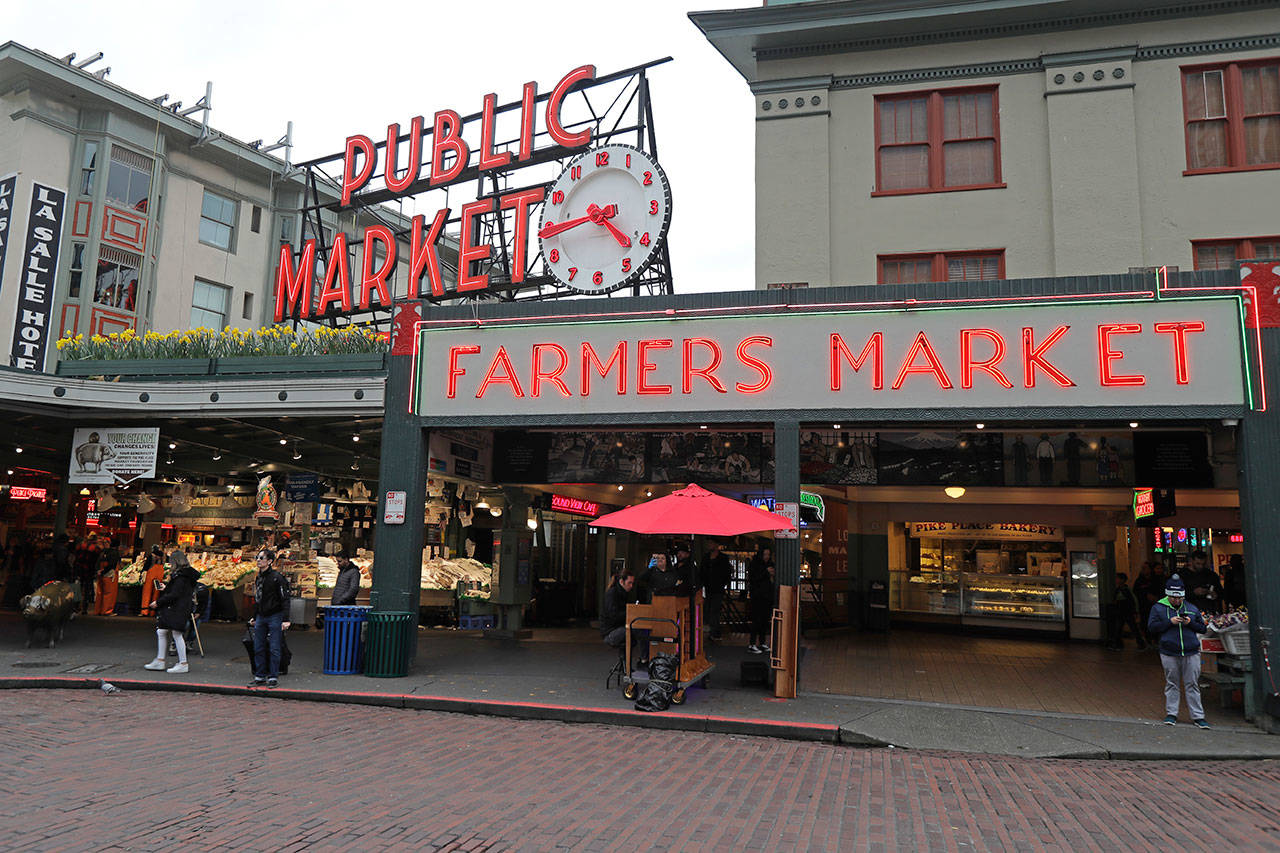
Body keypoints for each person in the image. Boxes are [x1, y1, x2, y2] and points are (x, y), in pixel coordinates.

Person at [1147, 574, 1209, 728]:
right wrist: (1170, 622)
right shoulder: (1158, 608)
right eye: (1173, 598)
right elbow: (1151, 628)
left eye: (1179, 598)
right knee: (1172, 683)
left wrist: (1190, 623)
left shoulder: (1192, 608)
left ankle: (1198, 716)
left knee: (1192, 684)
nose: (1176, 601)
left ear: (1183, 596)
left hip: (1191, 651)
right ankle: (1171, 714)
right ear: (1168, 595)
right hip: (1169, 651)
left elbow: (1203, 628)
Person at [144, 549, 199, 674]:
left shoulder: (180, 577)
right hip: (180, 607)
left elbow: (175, 594)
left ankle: (182, 663)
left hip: (176, 608)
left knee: (175, 633)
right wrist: (167, 588)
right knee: (164, 631)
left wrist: (158, 602)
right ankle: (161, 660)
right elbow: (178, 592)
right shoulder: (186, 575)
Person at [249, 549, 292, 688]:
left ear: (269, 561)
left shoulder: (277, 578)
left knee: (274, 647)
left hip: (274, 615)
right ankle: (260, 675)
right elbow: (258, 597)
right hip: (262, 615)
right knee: (258, 646)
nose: (258, 560)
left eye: (261, 558)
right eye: (258, 557)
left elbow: (285, 598)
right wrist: (254, 616)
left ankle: (273, 676)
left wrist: (285, 619)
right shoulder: (259, 577)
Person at [600, 567, 648, 665]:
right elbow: (614, 616)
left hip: (615, 629)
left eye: (632, 583)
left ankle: (629, 664)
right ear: (622, 581)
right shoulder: (612, 594)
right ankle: (644, 659)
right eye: (629, 583)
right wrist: (630, 613)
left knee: (637, 631)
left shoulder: (621, 593)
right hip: (610, 632)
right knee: (637, 630)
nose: (631, 586)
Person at [746, 547, 776, 654]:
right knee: (756, 620)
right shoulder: (755, 565)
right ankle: (752, 643)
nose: (767, 557)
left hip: (767, 596)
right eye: (765, 554)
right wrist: (766, 572)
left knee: (764, 620)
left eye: (768, 554)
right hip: (757, 597)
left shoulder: (770, 564)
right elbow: (753, 579)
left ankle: (762, 642)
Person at [1106, 572, 1147, 650]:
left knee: (1131, 628)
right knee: (1122, 628)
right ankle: (1120, 644)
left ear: (1122, 580)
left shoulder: (1125, 590)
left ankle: (1139, 644)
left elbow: (1132, 601)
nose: (1116, 580)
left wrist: (1135, 611)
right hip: (1122, 612)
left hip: (1127, 612)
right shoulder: (1120, 590)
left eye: (1117, 578)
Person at [703, 542, 732, 642]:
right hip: (707, 587)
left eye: (710, 543)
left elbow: (727, 572)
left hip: (718, 588)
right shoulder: (706, 557)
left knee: (715, 610)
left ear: (715, 545)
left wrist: (723, 583)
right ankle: (713, 631)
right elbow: (702, 571)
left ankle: (715, 632)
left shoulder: (723, 558)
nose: (709, 545)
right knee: (707, 609)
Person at [1185, 550, 1222, 614]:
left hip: (1209, 610)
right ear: (1191, 561)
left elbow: (1221, 592)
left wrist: (1215, 594)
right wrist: (1193, 593)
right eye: (1198, 563)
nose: (1201, 566)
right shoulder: (1183, 575)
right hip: (1190, 611)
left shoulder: (1211, 575)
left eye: (1203, 564)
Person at [93, 537, 121, 616]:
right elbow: (112, 565)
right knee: (109, 593)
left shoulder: (103, 552)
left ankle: (98, 610)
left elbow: (97, 563)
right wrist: (103, 571)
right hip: (109, 575)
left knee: (100, 593)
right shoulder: (114, 553)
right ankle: (107, 611)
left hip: (101, 574)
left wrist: (99, 571)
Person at [140, 545, 166, 616]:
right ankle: (153, 612)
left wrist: (142, 572)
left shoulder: (151, 556)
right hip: (159, 575)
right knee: (156, 593)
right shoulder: (163, 557)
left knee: (147, 592)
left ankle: (144, 611)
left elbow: (146, 566)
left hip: (150, 574)